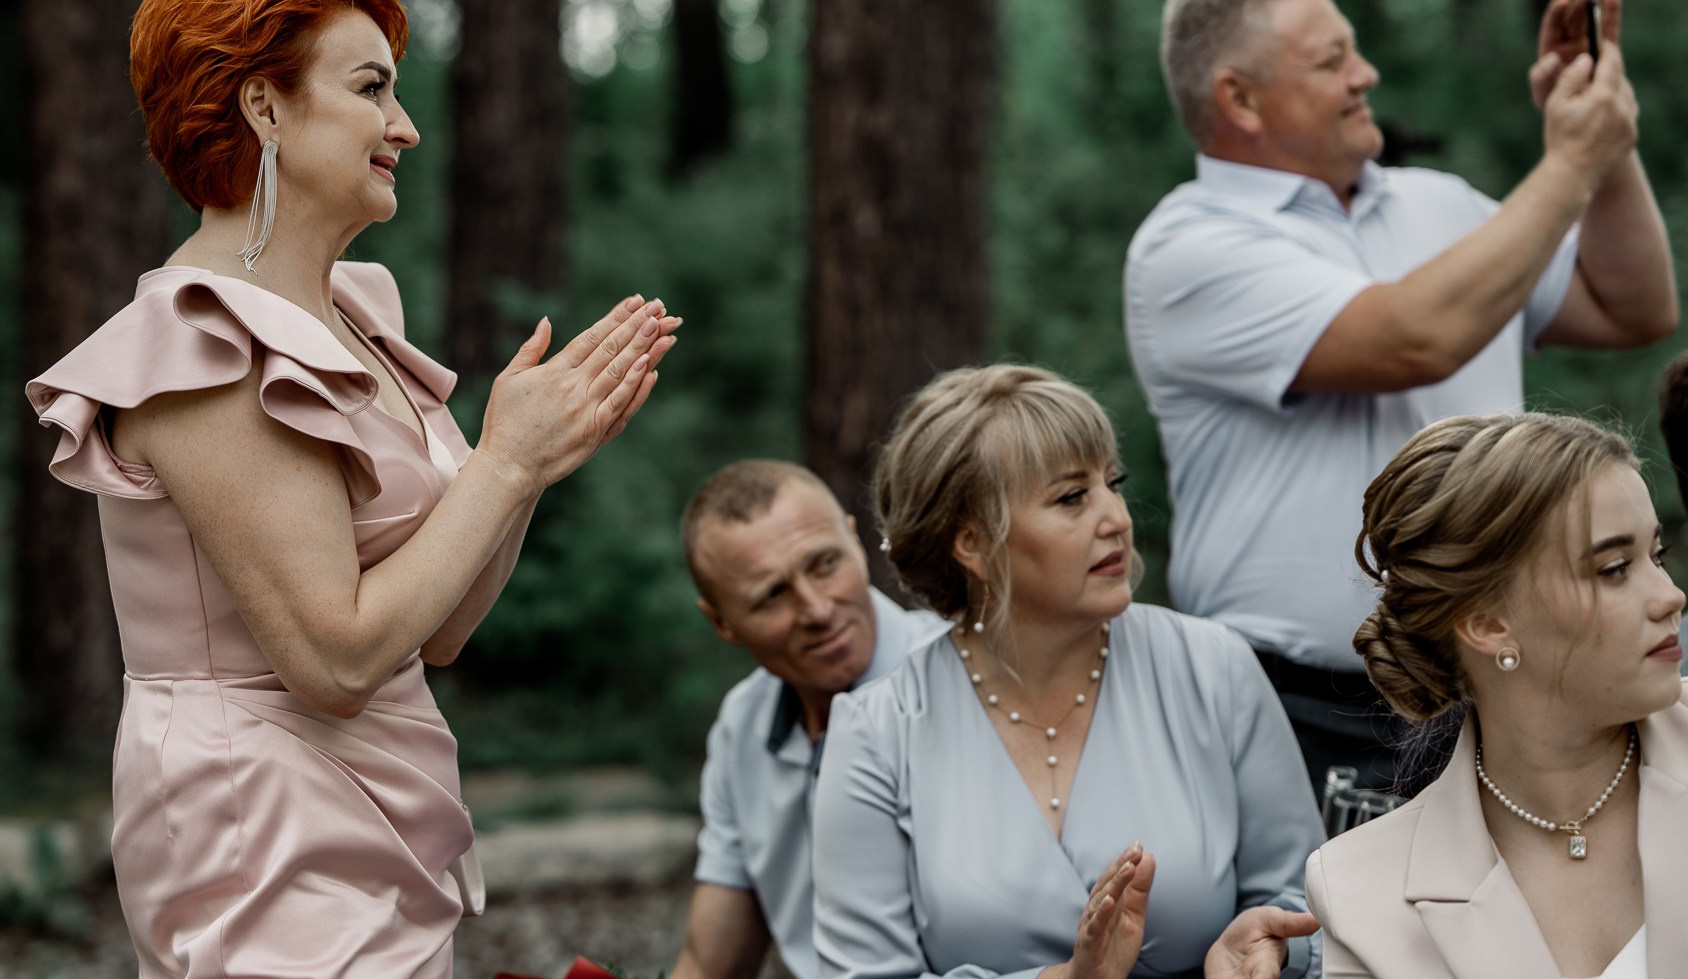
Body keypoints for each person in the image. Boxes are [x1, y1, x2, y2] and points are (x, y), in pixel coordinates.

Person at [24, 0, 681, 978]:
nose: (404, 127)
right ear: (263, 108)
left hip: (380, 812)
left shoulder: (352, 320)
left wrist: (527, 467)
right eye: (371, 87)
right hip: (263, 825)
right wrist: (502, 464)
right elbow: (333, 660)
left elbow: (443, 626)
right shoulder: (202, 344)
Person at [1124, 0, 1676, 794]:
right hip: (1303, 710)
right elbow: (1413, 337)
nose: (1364, 73)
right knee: (1333, 930)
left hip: (1504, 684)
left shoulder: (1442, 204)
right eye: (1331, 59)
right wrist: (1567, 163)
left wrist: (1607, 145)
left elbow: (1631, 306)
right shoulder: (1187, 246)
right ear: (1238, 98)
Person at [812, 365, 1325, 979]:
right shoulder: (876, 733)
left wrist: (1275, 949)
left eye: (1113, 483)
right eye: (1071, 497)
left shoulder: (1213, 667)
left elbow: (1306, 905)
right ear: (971, 543)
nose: (1116, 517)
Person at [1306, 412, 1688, 977]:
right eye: (1613, 568)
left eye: (1657, 557)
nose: (1671, 597)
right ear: (1487, 624)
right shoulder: (1358, 890)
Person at [671, 460, 947, 979]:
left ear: (855, 540)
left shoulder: (963, 681)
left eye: (824, 563)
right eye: (773, 594)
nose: (818, 610)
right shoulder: (743, 725)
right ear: (721, 622)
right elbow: (711, 964)